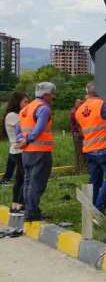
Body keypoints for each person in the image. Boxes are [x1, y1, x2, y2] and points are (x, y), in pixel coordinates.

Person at [75, 82, 106, 211]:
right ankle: (98, 208)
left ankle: (91, 208)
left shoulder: (80, 110)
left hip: (90, 150)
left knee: (95, 181)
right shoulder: (104, 105)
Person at [16, 82, 57, 221]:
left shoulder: (26, 109)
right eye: (52, 94)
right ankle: (32, 213)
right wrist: (28, 140)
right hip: (40, 151)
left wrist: (21, 141)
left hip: (26, 152)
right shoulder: (43, 108)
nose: (53, 97)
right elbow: (38, 129)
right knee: (37, 183)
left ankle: (29, 211)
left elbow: (18, 129)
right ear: (46, 95)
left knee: (28, 182)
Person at [3, 92, 29, 212]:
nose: (27, 104)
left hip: (18, 150)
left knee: (20, 178)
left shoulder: (16, 114)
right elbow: (24, 126)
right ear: (17, 102)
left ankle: (15, 204)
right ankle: (20, 204)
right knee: (26, 178)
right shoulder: (13, 115)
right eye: (25, 102)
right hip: (18, 150)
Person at [69, 98, 85, 173]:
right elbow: (78, 125)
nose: (81, 104)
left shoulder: (77, 111)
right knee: (79, 152)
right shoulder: (74, 112)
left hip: (78, 133)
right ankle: (79, 169)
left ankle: (81, 168)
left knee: (82, 151)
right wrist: (82, 133)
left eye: (81, 103)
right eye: (79, 103)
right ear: (76, 104)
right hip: (77, 134)